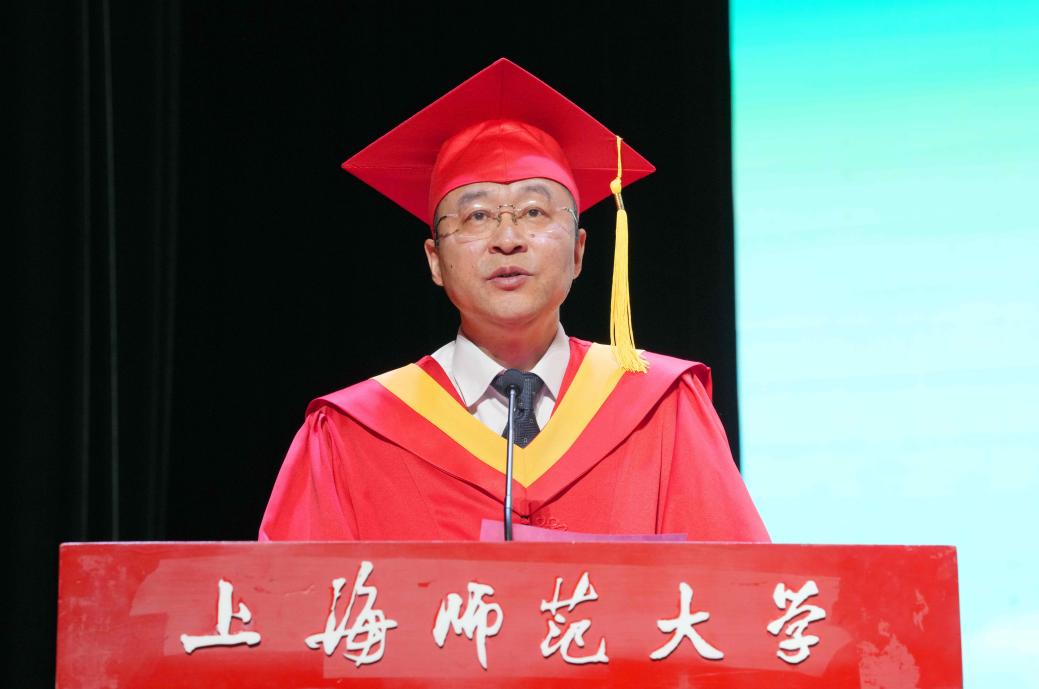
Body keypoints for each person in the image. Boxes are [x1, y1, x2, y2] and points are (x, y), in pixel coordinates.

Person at [259, 58, 769, 542]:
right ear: (435, 260)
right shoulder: (351, 433)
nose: (507, 239)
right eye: (477, 216)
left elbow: (735, 588)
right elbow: (291, 598)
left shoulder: (663, 408)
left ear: (579, 252)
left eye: (534, 213)